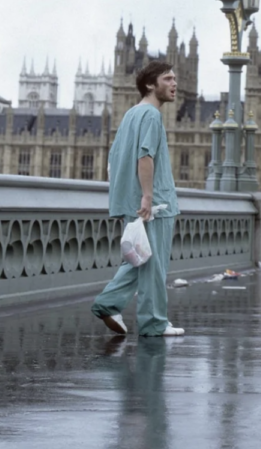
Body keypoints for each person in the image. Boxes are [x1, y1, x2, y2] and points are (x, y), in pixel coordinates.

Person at [91, 61, 184, 337]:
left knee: (140, 258)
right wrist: (147, 195)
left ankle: (108, 304)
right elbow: (145, 156)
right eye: (167, 79)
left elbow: (116, 158)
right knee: (153, 264)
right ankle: (153, 323)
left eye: (175, 78)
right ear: (149, 85)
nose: (174, 84)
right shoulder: (152, 116)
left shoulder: (131, 114)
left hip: (132, 201)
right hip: (155, 204)